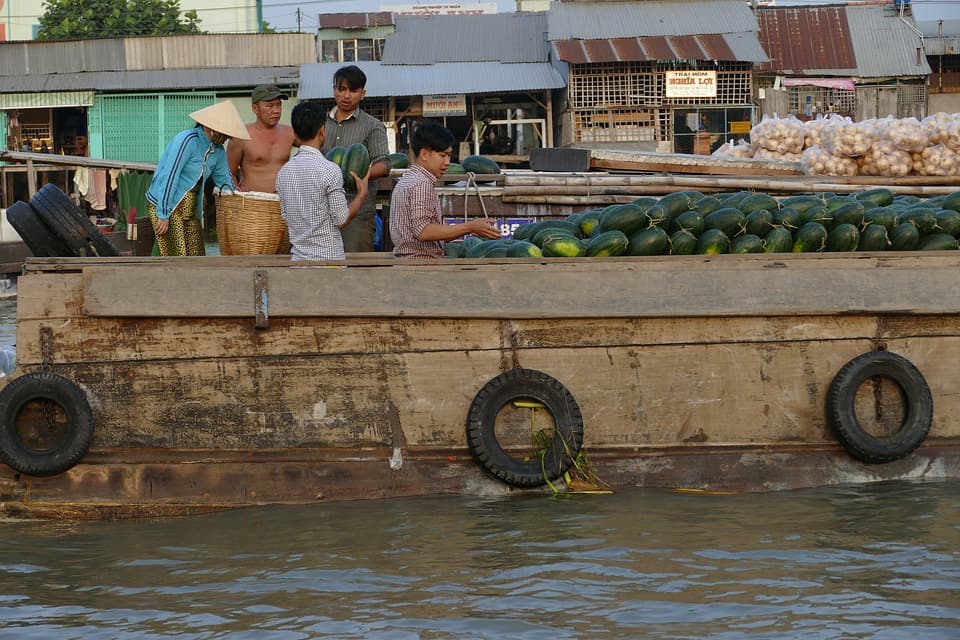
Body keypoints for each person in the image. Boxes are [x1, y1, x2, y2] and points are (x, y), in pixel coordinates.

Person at [146, 101, 249, 256]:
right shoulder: (187, 140)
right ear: (211, 127)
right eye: (226, 133)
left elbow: (224, 180)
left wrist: (237, 197)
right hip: (166, 204)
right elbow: (170, 175)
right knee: (178, 257)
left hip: (190, 209)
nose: (228, 138)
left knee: (197, 255)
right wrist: (163, 213)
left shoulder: (218, 151)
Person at [390, 120, 499, 258]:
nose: (447, 162)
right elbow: (423, 232)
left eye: (449, 155)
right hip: (422, 265)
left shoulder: (407, 179)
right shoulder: (421, 184)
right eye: (442, 155)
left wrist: (466, 230)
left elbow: (427, 233)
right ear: (424, 154)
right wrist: (469, 227)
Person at [276, 101, 370, 261]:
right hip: (329, 262)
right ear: (322, 131)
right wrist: (361, 195)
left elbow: (286, 217)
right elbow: (341, 220)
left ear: (295, 134)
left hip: (298, 261)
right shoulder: (330, 170)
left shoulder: (283, 173)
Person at [320, 65, 390, 253]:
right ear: (334, 89)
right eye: (341, 89)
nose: (346, 95)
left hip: (357, 211)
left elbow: (384, 164)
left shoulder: (372, 126)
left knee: (356, 271)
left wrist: (361, 175)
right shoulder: (320, 124)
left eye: (353, 90)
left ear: (363, 93)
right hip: (321, 211)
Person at [226, 84, 296, 193]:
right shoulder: (241, 135)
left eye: (279, 105)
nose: (276, 110)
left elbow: (311, 147)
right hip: (251, 203)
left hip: (282, 203)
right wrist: (236, 189)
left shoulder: (290, 133)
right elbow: (229, 172)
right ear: (255, 109)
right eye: (270, 106)